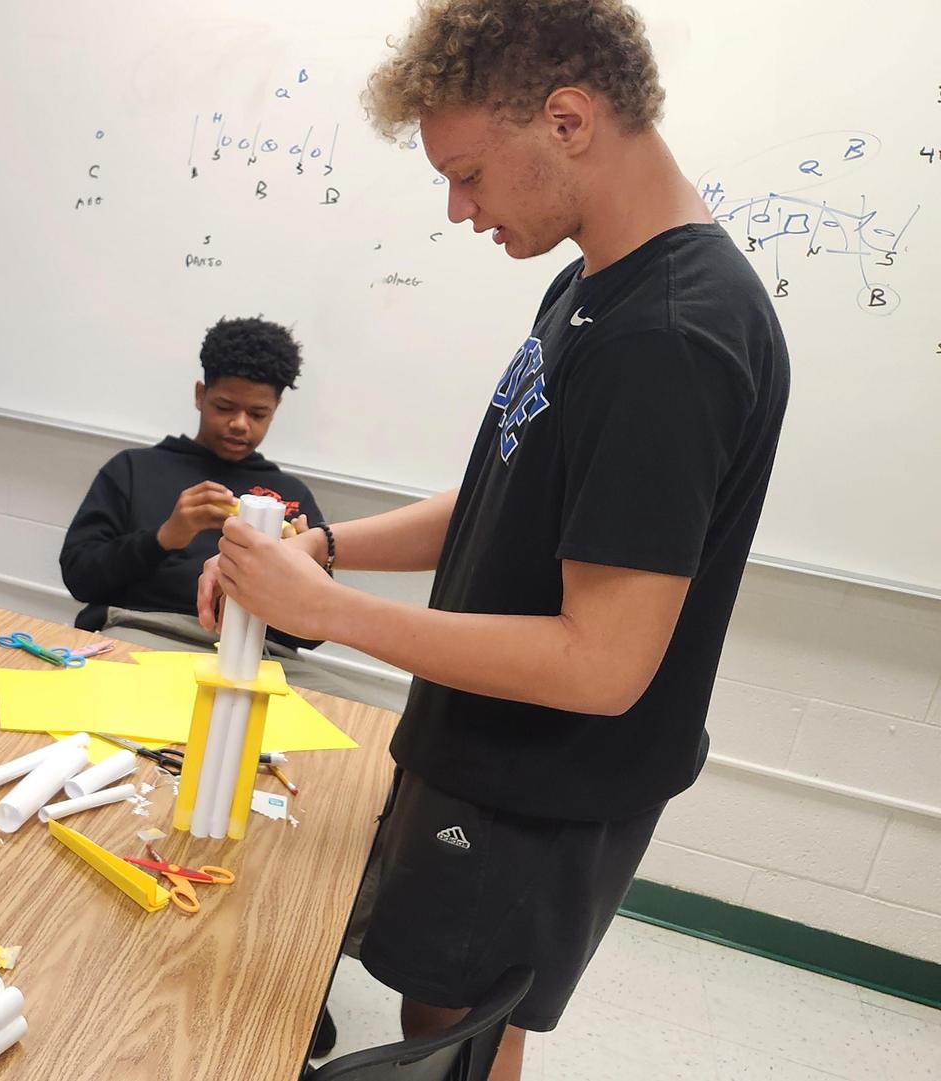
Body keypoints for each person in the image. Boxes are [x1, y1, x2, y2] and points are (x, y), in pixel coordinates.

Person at [200, 2, 789, 1076]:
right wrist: (320, 551)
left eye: (468, 172)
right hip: (490, 754)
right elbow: (499, 489)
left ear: (568, 120)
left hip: (543, 784)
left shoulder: (670, 338)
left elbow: (604, 664)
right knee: (440, 1005)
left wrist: (323, 613)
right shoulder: (594, 280)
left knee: (460, 1032)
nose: (458, 208)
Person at [60, 316, 324, 651]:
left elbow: (313, 636)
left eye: (257, 414)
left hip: (259, 652)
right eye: (224, 407)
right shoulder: (132, 469)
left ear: (276, 409)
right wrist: (163, 538)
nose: (240, 424)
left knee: (341, 703)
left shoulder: (291, 495)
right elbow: (81, 580)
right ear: (201, 395)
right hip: (145, 631)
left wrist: (301, 571)